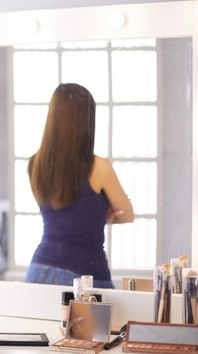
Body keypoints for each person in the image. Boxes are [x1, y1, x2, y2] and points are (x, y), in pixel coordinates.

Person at [25, 83, 134, 289]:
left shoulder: (35, 164)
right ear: (87, 120)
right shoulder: (98, 167)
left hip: (39, 270)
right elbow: (127, 214)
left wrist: (92, 215)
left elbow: (61, 209)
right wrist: (99, 216)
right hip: (85, 275)